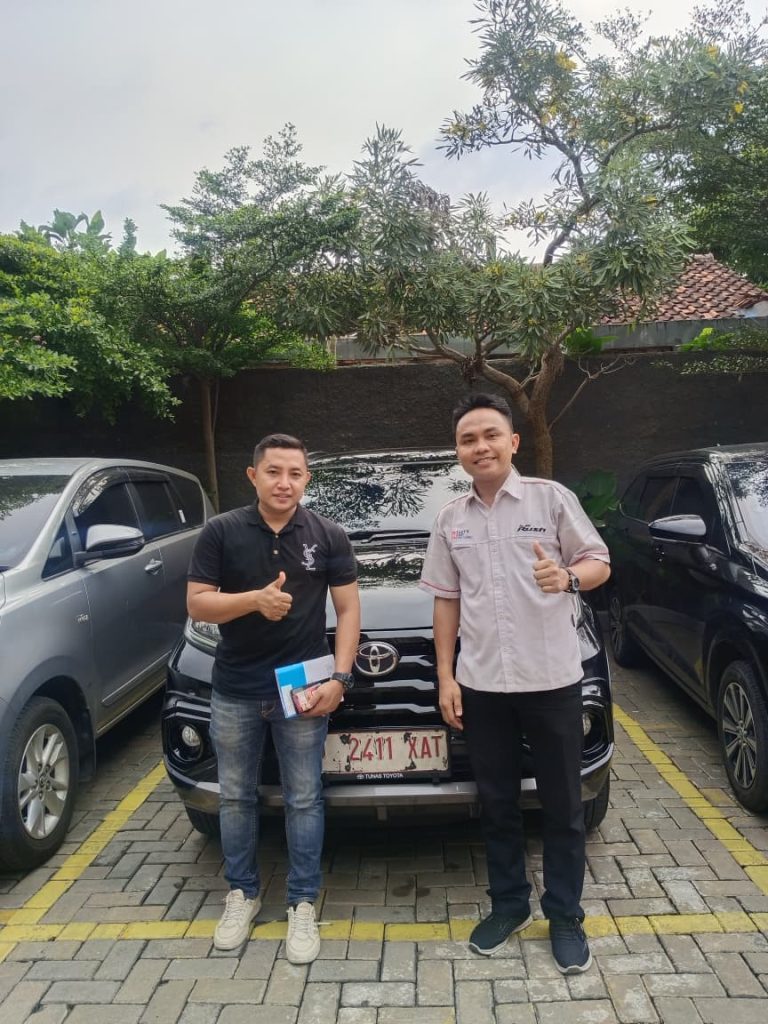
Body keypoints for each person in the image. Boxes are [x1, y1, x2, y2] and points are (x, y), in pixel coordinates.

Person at [419, 393, 610, 973]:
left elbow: (599, 562)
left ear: (513, 442)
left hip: (551, 679)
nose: (481, 447)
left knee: (563, 806)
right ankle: (509, 905)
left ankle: (566, 915)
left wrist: (568, 577)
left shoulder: (551, 499)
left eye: (491, 435)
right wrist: (446, 677)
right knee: (497, 804)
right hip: (482, 686)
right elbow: (446, 601)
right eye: (468, 439)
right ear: (458, 451)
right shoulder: (450, 520)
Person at [187, 433, 360, 960]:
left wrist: (340, 678)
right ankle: (242, 893)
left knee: (304, 797)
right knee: (235, 796)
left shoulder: (328, 534)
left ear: (307, 479)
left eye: (295, 473)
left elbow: (348, 611)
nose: (285, 483)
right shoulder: (220, 531)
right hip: (236, 687)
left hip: (303, 690)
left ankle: (302, 902)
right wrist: (254, 601)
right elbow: (198, 604)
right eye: (274, 472)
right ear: (253, 475)